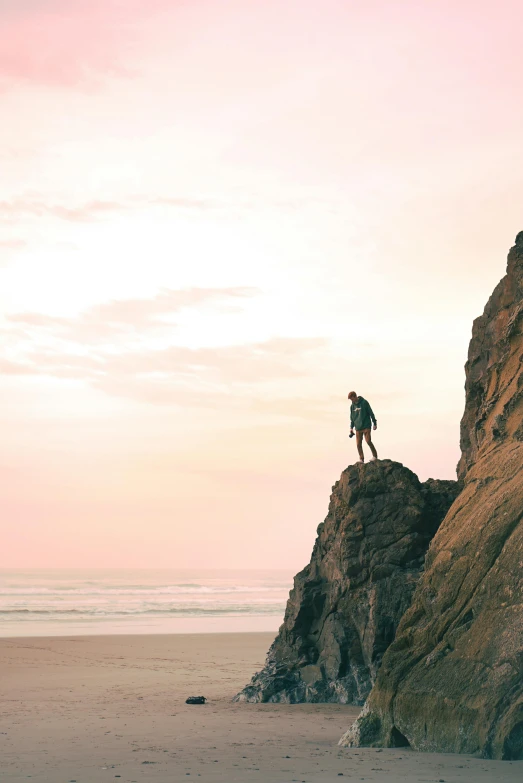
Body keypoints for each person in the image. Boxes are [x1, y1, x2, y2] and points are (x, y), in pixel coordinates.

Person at [348, 391, 378, 463]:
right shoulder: (352, 406)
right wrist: (351, 428)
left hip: (366, 426)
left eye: (352, 399)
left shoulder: (364, 402)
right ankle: (361, 459)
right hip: (358, 428)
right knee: (358, 444)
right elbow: (352, 418)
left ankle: (375, 456)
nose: (352, 401)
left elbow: (371, 412)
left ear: (355, 396)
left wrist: (374, 423)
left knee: (368, 441)